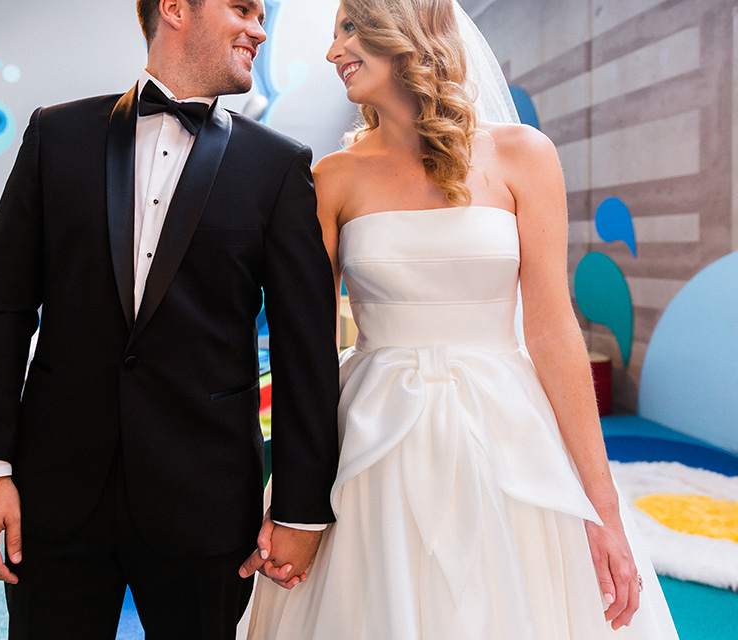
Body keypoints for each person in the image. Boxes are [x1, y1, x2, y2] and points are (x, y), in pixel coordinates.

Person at [241, 0, 680, 637]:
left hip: (507, 432)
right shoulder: (329, 179)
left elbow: (553, 327)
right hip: (373, 437)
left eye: (349, 30)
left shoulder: (525, 156)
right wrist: (295, 508)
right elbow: (305, 347)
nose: (333, 53)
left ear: (403, 30)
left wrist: (602, 506)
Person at [0, 0, 340, 637]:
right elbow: (2, 310)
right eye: (243, 8)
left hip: (207, 505)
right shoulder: (55, 136)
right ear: (175, 9)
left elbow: (307, 354)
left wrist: (300, 511)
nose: (260, 28)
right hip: (55, 496)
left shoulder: (278, 166)